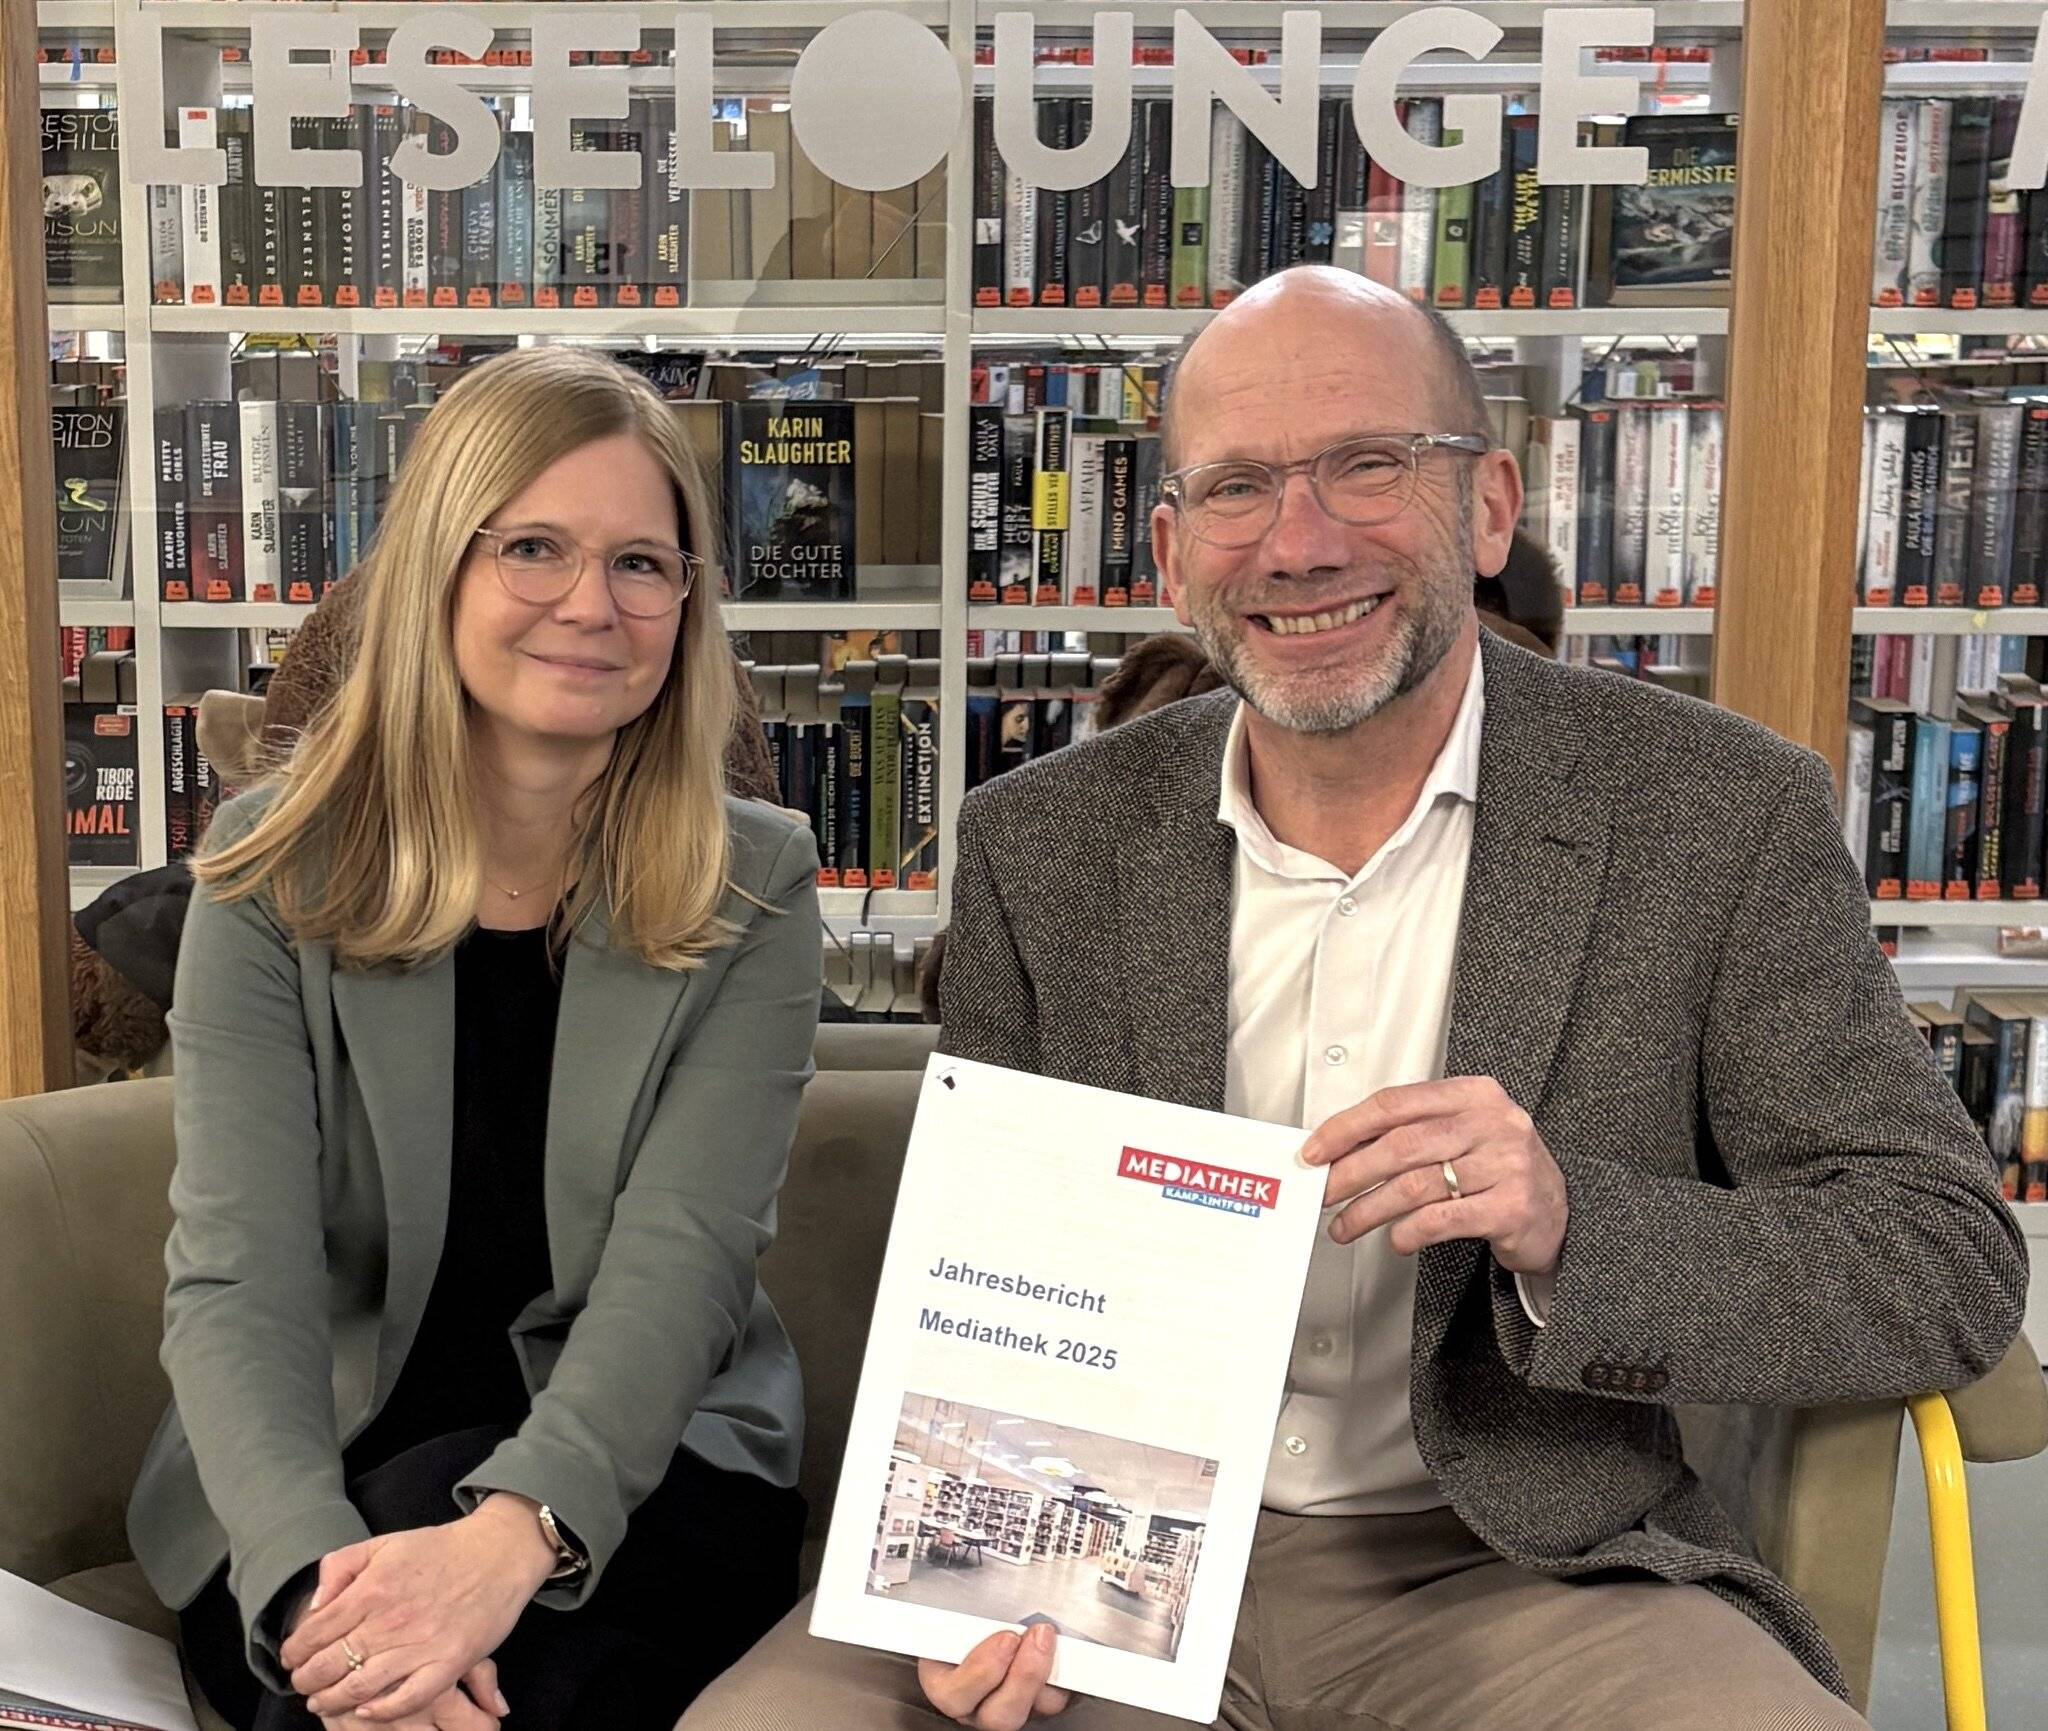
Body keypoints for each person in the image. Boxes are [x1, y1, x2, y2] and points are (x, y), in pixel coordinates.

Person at [686, 266, 2026, 1730]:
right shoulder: (1042, 843)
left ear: (1489, 507)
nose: (1300, 543)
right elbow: (994, 1281)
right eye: (1238, 488)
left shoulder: (1717, 812)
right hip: (1094, 1559)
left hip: (1527, 1568)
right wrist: (964, 1579)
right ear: (1171, 551)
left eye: (1368, 466)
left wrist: (1569, 1223)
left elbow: (1940, 1257)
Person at [126, 348, 823, 1731]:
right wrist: (313, 1584)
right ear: (438, 570)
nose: (591, 604)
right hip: (321, 1465)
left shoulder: (755, 882)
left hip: (645, 1464)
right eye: (534, 548)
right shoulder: (267, 873)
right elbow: (240, 1280)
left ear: (686, 606)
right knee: (373, 1671)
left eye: (642, 564)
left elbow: (682, 1266)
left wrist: (511, 1542)